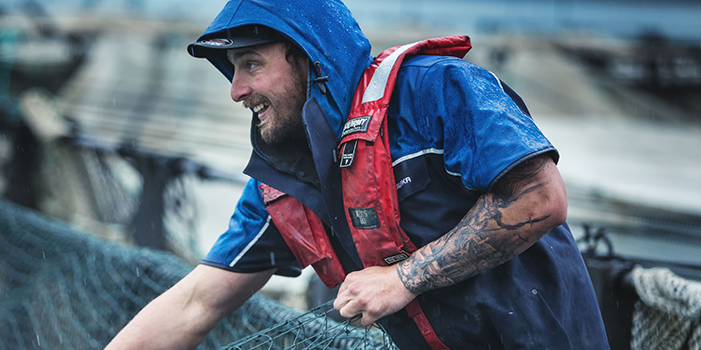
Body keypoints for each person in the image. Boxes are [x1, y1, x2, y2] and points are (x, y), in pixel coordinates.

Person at [105, 0, 610, 349]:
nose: (236, 90)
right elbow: (195, 303)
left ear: (308, 59)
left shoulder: (438, 91)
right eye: (233, 70)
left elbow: (540, 197)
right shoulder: (280, 185)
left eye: (251, 65)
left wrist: (404, 277)